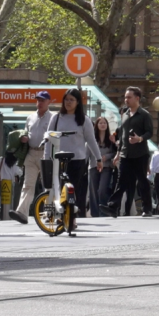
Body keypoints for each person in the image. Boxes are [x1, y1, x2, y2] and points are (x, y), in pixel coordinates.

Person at [49, 88, 100, 220]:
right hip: (58, 160)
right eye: (66, 99)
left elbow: (91, 141)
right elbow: (48, 139)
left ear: (78, 102)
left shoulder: (84, 120)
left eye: (72, 100)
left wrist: (98, 158)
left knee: (73, 189)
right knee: (59, 188)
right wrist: (46, 157)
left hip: (77, 160)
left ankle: (71, 217)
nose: (68, 102)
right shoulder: (55, 118)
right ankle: (61, 215)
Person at [9, 91, 54, 224]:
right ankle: (22, 213)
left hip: (46, 153)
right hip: (31, 153)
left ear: (49, 102)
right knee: (27, 184)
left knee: (49, 185)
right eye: (38, 100)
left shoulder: (53, 117)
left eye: (43, 100)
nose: (39, 103)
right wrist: (23, 138)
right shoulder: (30, 117)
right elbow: (26, 132)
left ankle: (49, 213)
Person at [112, 87, 153, 217]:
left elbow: (150, 132)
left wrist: (140, 138)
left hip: (140, 154)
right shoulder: (125, 114)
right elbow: (122, 136)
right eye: (125, 97)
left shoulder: (144, 114)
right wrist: (118, 153)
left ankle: (147, 208)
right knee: (121, 182)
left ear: (137, 98)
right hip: (125, 154)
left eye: (129, 97)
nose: (126, 100)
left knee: (142, 181)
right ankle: (113, 207)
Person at [90, 115, 117, 218]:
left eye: (104, 123)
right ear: (96, 125)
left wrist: (107, 156)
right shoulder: (92, 138)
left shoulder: (110, 138)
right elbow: (87, 151)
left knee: (102, 190)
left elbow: (115, 153)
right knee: (93, 190)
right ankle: (95, 214)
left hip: (106, 166)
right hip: (93, 166)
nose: (102, 125)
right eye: (100, 123)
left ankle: (103, 211)